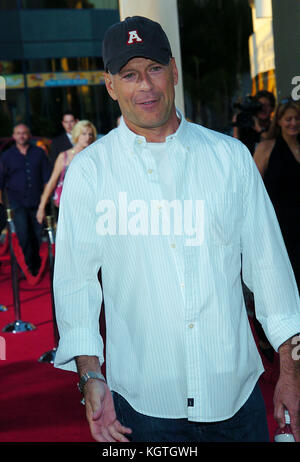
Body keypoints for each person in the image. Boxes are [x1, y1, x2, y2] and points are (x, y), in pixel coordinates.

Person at [53, 16, 300, 443]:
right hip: (141, 405)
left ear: (174, 71)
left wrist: (292, 372)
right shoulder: (90, 173)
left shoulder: (230, 158)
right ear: (110, 85)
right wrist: (90, 377)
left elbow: (271, 272)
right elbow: (75, 285)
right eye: (129, 74)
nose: (145, 85)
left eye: (154, 69)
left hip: (235, 397)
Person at [254, 99, 300, 289]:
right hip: (278, 230)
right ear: (279, 121)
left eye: (297, 118)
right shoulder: (266, 148)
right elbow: (251, 188)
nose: (294, 123)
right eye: (288, 119)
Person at [0, 124, 51, 275]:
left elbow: (47, 178)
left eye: (24, 133)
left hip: (37, 202)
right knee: (23, 235)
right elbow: (0, 181)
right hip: (17, 203)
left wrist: (44, 201)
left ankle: (35, 264)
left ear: (28, 135)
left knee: (36, 235)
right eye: (18, 133)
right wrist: (2, 205)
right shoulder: (6, 156)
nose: (21, 136)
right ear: (14, 136)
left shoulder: (39, 153)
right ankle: (29, 267)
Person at [36, 120, 97, 225]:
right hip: (68, 205)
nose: (88, 137)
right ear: (77, 135)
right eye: (84, 134)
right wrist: (41, 207)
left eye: (90, 134)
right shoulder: (64, 156)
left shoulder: (94, 156)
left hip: (90, 204)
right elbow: (52, 181)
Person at [233, 90, 276, 154]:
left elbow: (271, 143)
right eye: (260, 105)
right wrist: (236, 127)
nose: (263, 109)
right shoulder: (247, 127)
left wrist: (258, 129)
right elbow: (236, 148)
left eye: (266, 105)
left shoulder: (274, 127)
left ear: (272, 109)